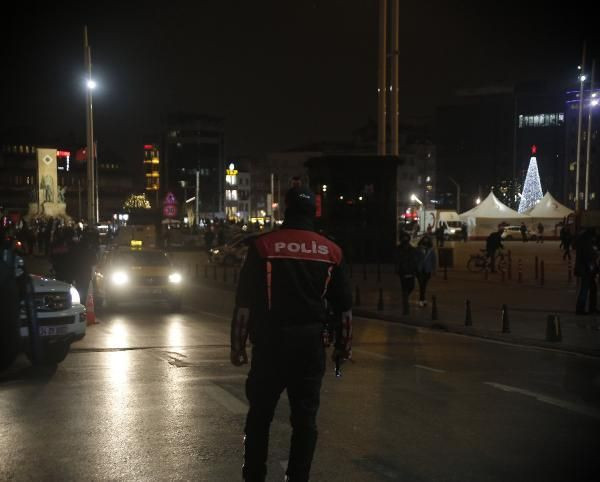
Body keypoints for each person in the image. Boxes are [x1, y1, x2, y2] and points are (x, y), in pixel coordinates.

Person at [230, 185, 353, 482]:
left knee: (260, 416)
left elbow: (244, 303)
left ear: (285, 209)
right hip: (310, 347)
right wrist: (342, 348)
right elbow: (345, 310)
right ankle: (298, 477)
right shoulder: (331, 251)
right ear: (314, 212)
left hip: (270, 344)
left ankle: (254, 475)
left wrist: (237, 346)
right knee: (305, 420)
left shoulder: (263, 246)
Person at [574, 229, 598, 315]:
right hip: (586, 270)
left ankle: (591, 308)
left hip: (586, 269)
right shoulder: (586, 243)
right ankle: (581, 309)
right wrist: (595, 253)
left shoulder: (583, 241)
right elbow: (588, 256)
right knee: (585, 289)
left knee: (591, 288)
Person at [395, 233, 418, 314]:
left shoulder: (412, 249)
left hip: (411, 271)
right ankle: (406, 308)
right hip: (403, 272)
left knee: (411, 286)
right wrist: (398, 269)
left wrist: (415, 269)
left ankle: (405, 297)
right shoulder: (398, 249)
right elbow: (397, 260)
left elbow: (415, 259)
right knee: (404, 288)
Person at [415, 235, 436, 307]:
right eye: (424, 240)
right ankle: (421, 300)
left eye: (427, 240)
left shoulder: (431, 250)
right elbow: (415, 259)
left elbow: (434, 260)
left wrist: (434, 270)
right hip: (419, 270)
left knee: (424, 285)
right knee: (421, 285)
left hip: (427, 270)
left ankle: (423, 299)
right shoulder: (418, 249)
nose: (425, 241)